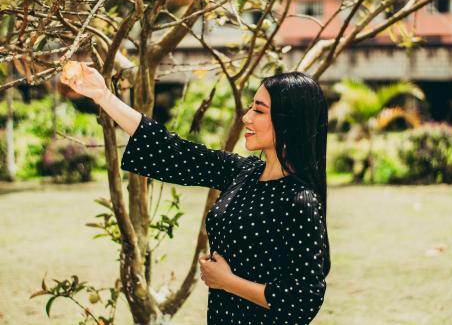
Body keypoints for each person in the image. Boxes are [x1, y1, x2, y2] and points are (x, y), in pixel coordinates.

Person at [61, 62, 331, 325]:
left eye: (259, 111)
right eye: (250, 107)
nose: (246, 117)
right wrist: (103, 96)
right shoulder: (244, 173)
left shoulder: (300, 200)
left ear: (290, 121)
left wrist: (227, 282)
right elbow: (171, 151)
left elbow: (303, 300)